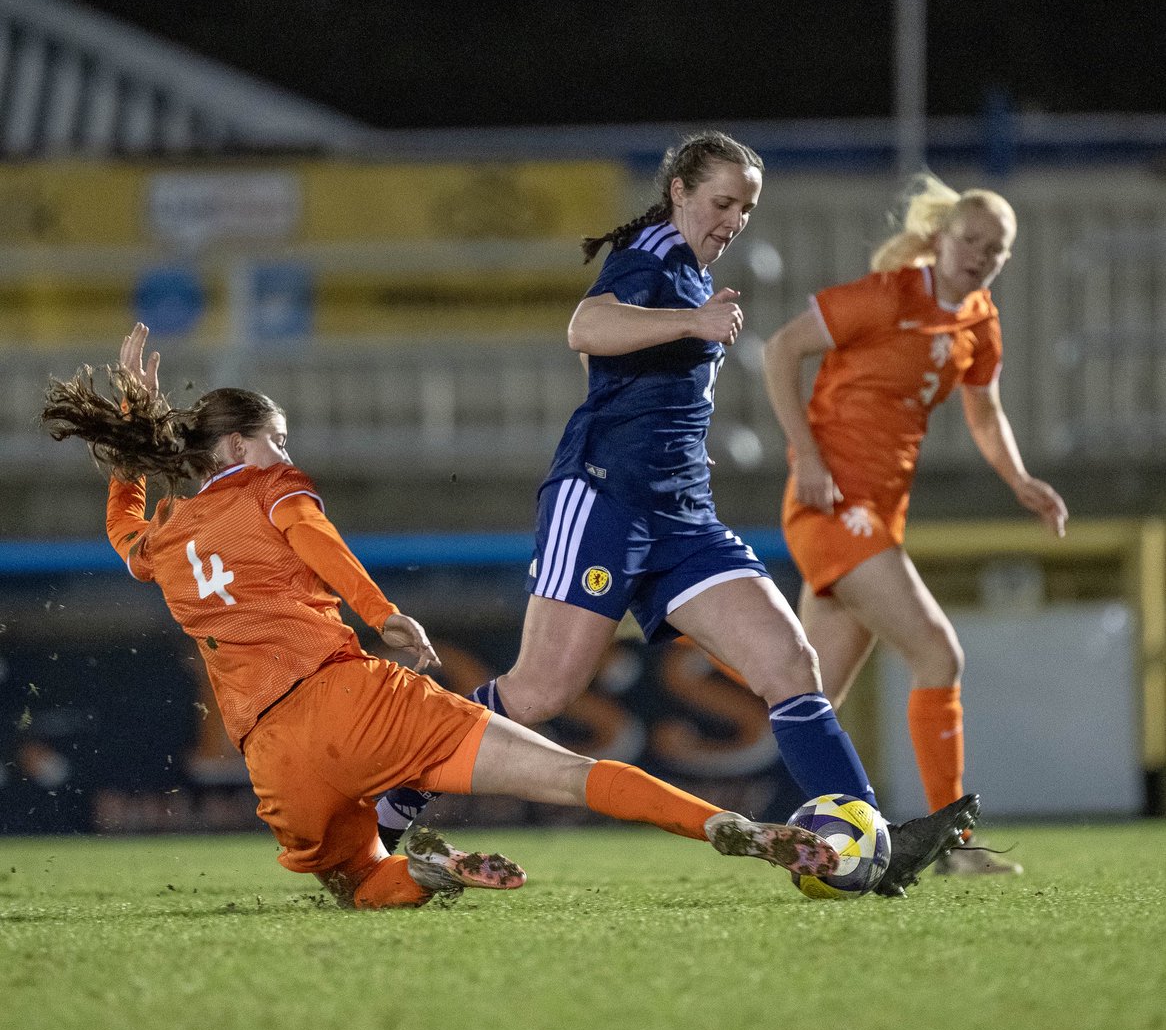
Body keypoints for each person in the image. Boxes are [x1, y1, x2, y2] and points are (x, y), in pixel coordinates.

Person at [39, 322, 847, 910]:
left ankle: (424, 871)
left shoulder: (166, 541)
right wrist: (385, 615)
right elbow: (317, 543)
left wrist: (126, 462)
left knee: (356, 881)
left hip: (272, 756)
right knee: (570, 777)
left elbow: (122, 530)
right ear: (238, 446)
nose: (284, 451)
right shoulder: (271, 488)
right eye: (274, 438)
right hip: (357, 700)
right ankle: (733, 827)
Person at [376, 131, 979, 896]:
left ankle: (860, 835)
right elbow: (585, 329)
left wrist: (676, 436)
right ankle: (395, 792)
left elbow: (636, 378)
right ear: (680, 193)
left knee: (792, 666)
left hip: (682, 514)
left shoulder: (691, 272)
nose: (734, 218)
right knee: (536, 695)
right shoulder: (655, 258)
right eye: (723, 202)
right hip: (603, 501)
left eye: (747, 208)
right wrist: (689, 332)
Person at [762, 173, 1068, 876]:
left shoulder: (979, 320)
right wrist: (804, 454)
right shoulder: (887, 295)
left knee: (807, 696)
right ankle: (950, 848)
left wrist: (1020, 480)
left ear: (1005, 258)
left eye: (995, 250)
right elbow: (780, 349)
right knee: (938, 653)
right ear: (941, 238)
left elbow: (985, 413)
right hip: (835, 504)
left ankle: (789, 840)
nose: (980, 256)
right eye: (970, 241)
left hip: (878, 514)